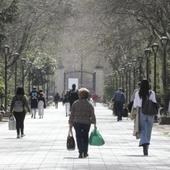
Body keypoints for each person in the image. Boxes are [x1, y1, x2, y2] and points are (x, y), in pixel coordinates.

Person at [69, 88, 96, 158]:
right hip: (86, 123)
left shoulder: (75, 103)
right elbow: (93, 114)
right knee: (85, 137)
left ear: (79, 95)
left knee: (78, 136)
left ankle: (80, 152)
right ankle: (85, 152)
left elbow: (72, 114)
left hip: (77, 122)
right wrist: (94, 123)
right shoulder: (90, 104)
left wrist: (70, 123)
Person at [133, 79, 157, 156]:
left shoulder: (138, 93)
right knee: (149, 130)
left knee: (143, 128)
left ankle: (144, 143)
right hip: (150, 113)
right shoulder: (151, 93)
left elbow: (135, 104)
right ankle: (146, 145)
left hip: (141, 112)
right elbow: (154, 102)